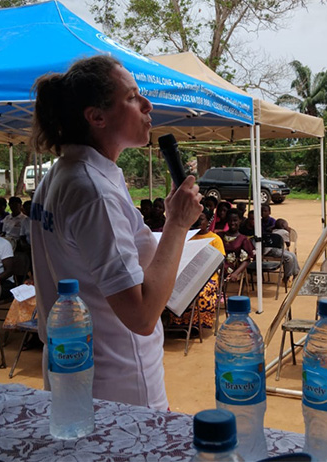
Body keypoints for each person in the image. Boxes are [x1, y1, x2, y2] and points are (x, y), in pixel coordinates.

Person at [29, 55, 202, 411]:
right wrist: (177, 224)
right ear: (97, 117)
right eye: (132, 96)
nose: (147, 104)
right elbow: (140, 316)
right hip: (118, 385)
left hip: (75, 375)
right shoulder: (94, 191)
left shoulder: (64, 175)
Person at [167, 208, 225, 329]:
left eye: (201, 218)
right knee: (172, 291)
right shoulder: (188, 237)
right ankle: (178, 323)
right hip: (186, 275)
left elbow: (220, 262)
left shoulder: (215, 239)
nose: (198, 221)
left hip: (207, 277)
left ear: (208, 221)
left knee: (200, 293)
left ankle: (197, 323)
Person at [221, 209, 255, 285]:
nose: (232, 223)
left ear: (240, 221)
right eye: (230, 220)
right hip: (219, 265)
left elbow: (247, 260)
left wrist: (236, 273)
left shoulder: (243, 239)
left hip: (231, 268)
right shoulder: (221, 236)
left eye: (235, 220)